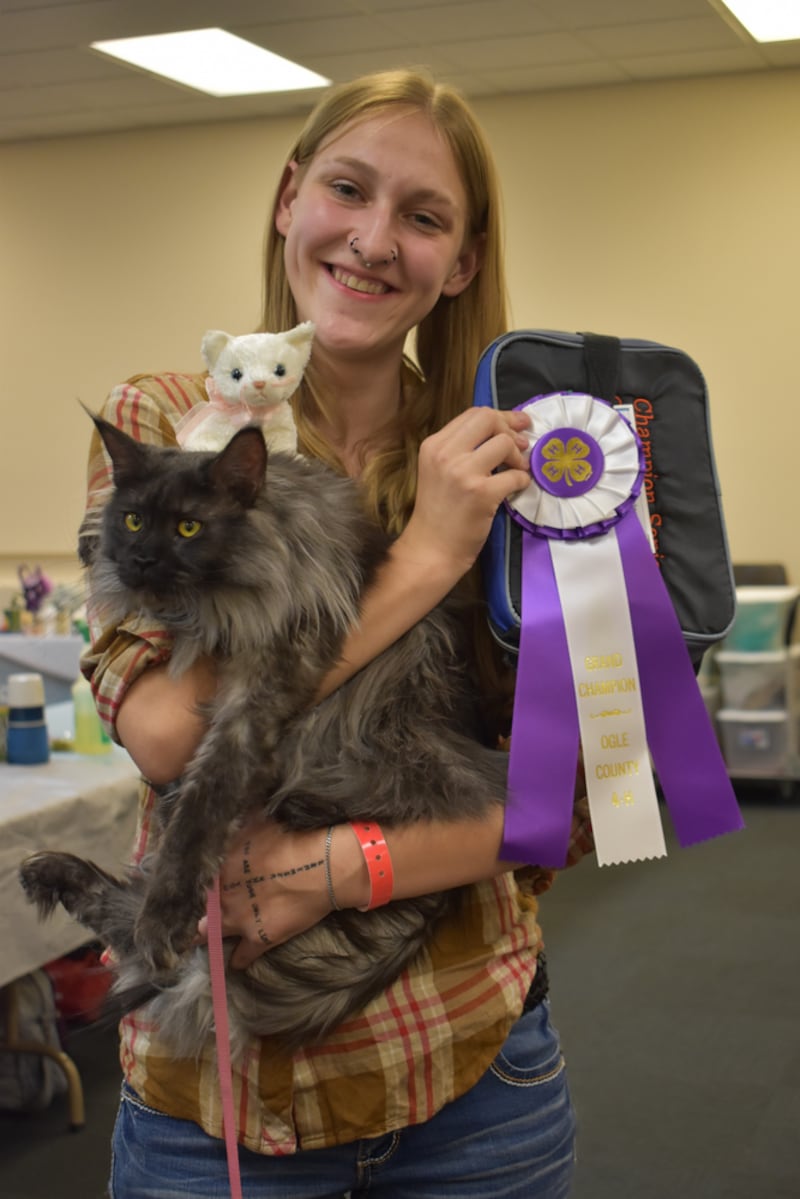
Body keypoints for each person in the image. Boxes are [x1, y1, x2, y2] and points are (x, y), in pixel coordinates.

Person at [82, 68, 593, 1199]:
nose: (371, 239)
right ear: (286, 197)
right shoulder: (169, 423)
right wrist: (420, 561)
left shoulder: (520, 461)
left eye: (421, 217)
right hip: (215, 1087)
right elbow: (168, 733)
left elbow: (577, 792)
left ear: (458, 262)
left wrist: (334, 870)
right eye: (346, 189)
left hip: (470, 1067)